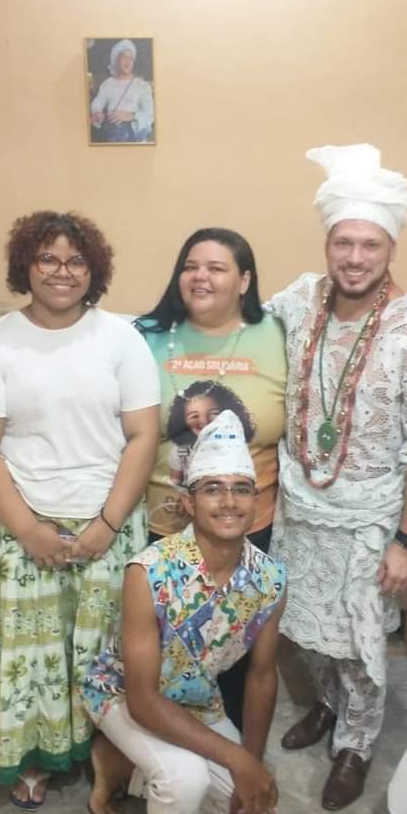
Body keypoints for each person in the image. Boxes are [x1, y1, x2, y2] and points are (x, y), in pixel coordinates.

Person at [270, 143, 407, 810]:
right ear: (327, 244)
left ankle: (356, 743)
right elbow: (237, 331)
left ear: (390, 249)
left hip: (372, 517)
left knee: (359, 641)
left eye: (370, 245)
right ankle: (327, 706)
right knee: (308, 630)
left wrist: (406, 542)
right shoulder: (299, 302)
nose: (355, 258)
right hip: (302, 507)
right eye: (344, 243)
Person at [0, 211, 161, 809]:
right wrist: (28, 529)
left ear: (94, 269)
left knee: (103, 651)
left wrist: (108, 523)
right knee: (34, 657)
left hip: (107, 526)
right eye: (48, 258)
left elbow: (143, 435)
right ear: (26, 266)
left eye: (75, 260)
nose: (61, 272)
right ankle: (34, 757)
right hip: (19, 529)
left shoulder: (120, 339)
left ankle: (108, 753)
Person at [81, 410, 286, 814]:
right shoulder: (149, 571)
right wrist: (237, 759)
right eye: (212, 488)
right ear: (189, 503)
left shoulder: (270, 579)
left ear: (256, 501)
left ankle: (121, 768)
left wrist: (251, 765)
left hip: (196, 702)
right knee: (184, 779)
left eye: (241, 489)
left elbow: (261, 676)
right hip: (123, 695)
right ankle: (143, 770)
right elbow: (142, 699)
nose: (229, 501)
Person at [137, 227, 286, 729]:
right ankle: (161, 750)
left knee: (235, 652)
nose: (200, 277)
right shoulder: (144, 337)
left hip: (246, 525)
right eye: (190, 266)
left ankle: (233, 752)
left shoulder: (279, 335)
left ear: (244, 281)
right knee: (163, 652)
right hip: (162, 526)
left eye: (217, 268)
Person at [90, 38, 155, 143]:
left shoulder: (142, 86)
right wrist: (98, 114)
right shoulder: (107, 84)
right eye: (124, 57)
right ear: (117, 59)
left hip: (135, 141)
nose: (128, 62)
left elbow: (150, 114)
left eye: (131, 58)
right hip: (112, 139)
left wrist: (131, 116)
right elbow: (97, 103)